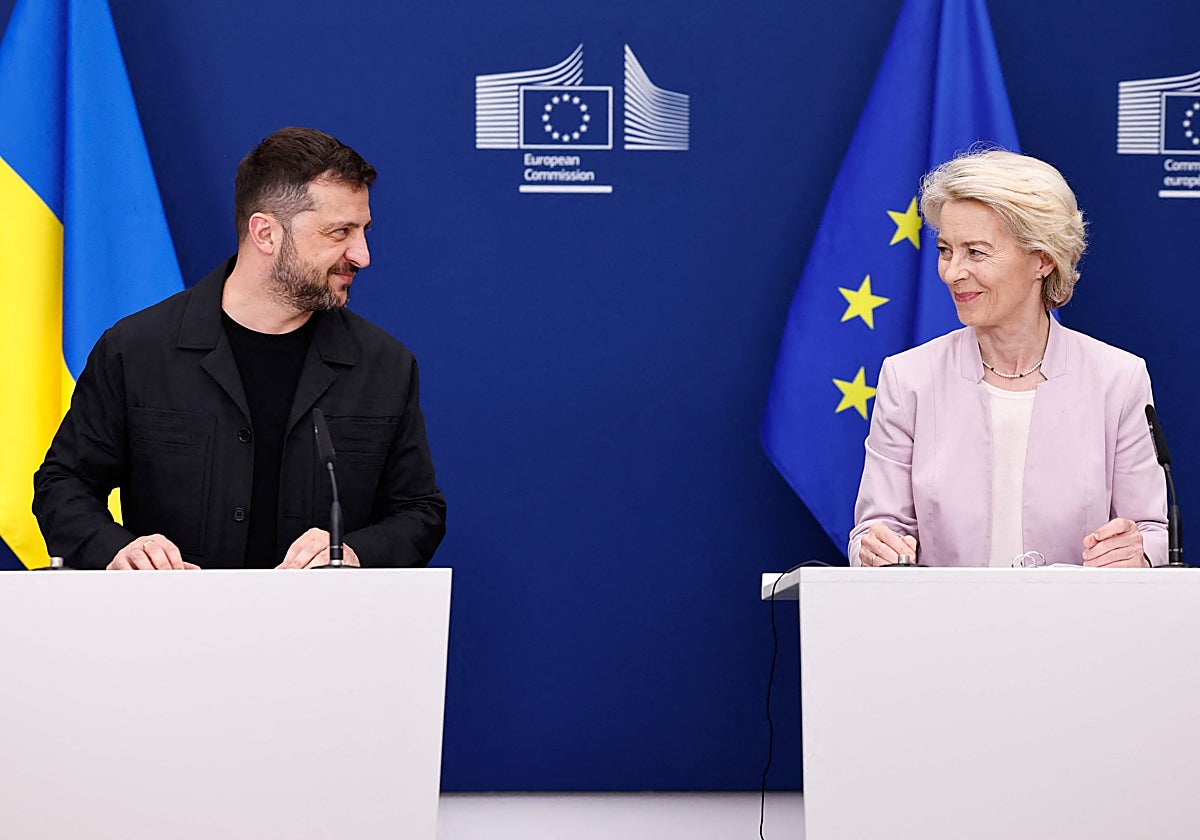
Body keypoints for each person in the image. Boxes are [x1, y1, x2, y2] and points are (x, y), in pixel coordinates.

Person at [33, 127, 446, 570]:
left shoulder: (385, 366)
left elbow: (419, 511)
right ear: (266, 233)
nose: (362, 254)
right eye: (340, 231)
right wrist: (117, 551)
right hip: (171, 629)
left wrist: (355, 553)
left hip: (320, 633)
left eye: (362, 230)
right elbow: (64, 483)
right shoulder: (136, 349)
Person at [848, 149, 1166, 568]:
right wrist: (873, 549)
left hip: (1074, 628)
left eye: (976, 253)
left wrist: (1138, 552)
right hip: (942, 627)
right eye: (946, 250)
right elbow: (874, 530)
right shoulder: (909, 378)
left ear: (1042, 259)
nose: (952, 272)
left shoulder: (1117, 379)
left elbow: (1152, 534)